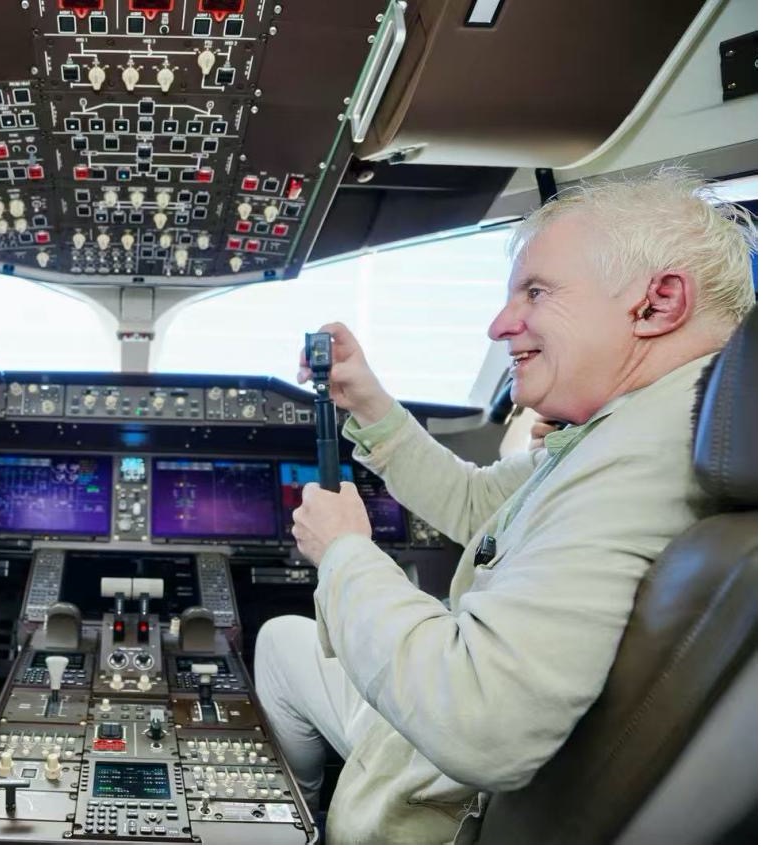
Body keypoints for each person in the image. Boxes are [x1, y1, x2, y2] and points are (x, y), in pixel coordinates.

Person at [255, 169, 756, 843]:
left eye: (537, 291)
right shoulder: (642, 424)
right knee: (282, 643)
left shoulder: (643, 460)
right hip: (419, 741)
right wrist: (368, 401)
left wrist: (344, 553)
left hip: (443, 771)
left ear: (658, 304)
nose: (500, 324)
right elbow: (477, 504)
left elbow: (479, 717)